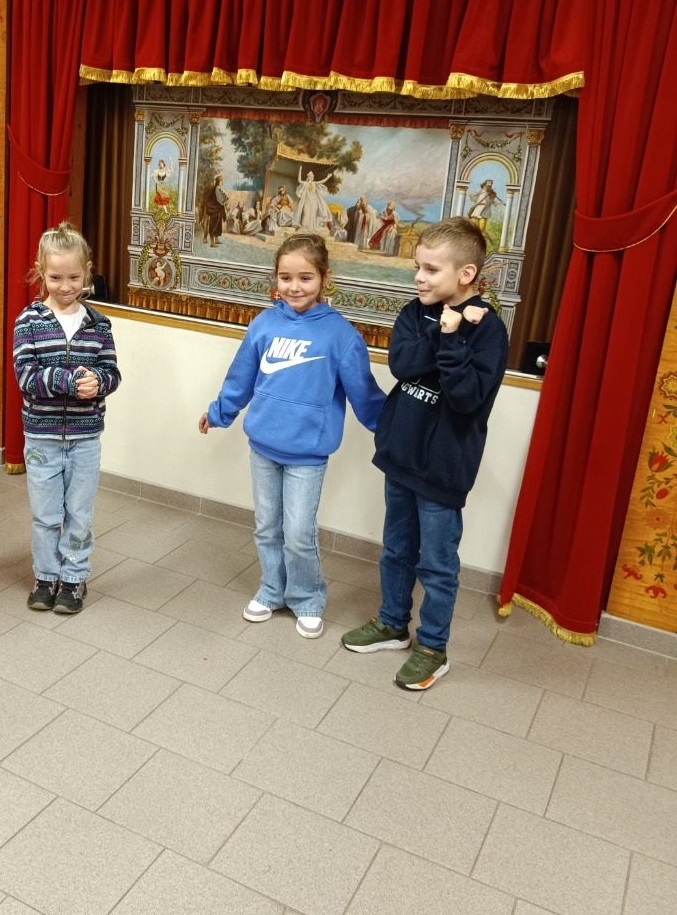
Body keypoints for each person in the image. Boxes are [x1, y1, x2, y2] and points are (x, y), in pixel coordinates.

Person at [341, 216, 508, 689]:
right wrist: (441, 332)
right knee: (396, 549)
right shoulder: (417, 313)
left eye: (431, 270)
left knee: (436, 564)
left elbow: (466, 398)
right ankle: (393, 624)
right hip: (401, 456)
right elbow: (402, 364)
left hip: (442, 469)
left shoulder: (489, 330)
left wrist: (453, 338)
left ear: (466, 274)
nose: (419, 277)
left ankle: (433, 647)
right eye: (419, 267)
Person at [199, 233, 385, 639]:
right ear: (276, 279)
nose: (294, 287)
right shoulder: (264, 324)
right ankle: (272, 590)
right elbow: (240, 378)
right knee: (267, 527)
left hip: (308, 455)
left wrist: (393, 430)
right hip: (263, 448)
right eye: (285, 278)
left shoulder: (342, 336)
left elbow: (365, 395)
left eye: (305, 278)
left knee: (299, 533)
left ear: (325, 278)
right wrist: (218, 413)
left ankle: (307, 598)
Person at [13, 222, 122, 614]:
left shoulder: (98, 324)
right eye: (55, 277)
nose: (65, 286)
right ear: (41, 272)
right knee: (45, 515)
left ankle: (73, 579)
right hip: (41, 439)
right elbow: (25, 377)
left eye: (74, 277)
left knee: (79, 514)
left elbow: (112, 373)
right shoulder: (29, 321)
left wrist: (99, 382)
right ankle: (45, 576)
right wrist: (69, 381)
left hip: (85, 440)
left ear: (87, 272)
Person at [200, 175, 228, 246]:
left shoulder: (219, 189)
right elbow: (219, 199)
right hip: (214, 209)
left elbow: (223, 198)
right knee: (213, 224)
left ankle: (216, 239)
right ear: (218, 182)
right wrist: (225, 199)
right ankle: (212, 242)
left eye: (222, 181)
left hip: (218, 209)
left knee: (218, 225)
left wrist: (225, 199)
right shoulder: (215, 189)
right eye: (221, 181)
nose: (222, 183)